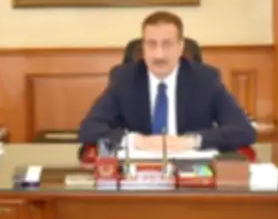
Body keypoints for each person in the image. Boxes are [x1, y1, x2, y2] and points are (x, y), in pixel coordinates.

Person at [78, 11, 256, 152]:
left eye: (167, 44)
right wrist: (137, 141)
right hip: (138, 173)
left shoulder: (205, 79)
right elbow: (89, 129)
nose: (159, 55)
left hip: (190, 172)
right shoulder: (124, 79)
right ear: (143, 48)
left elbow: (244, 130)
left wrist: (190, 141)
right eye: (151, 44)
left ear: (180, 47)